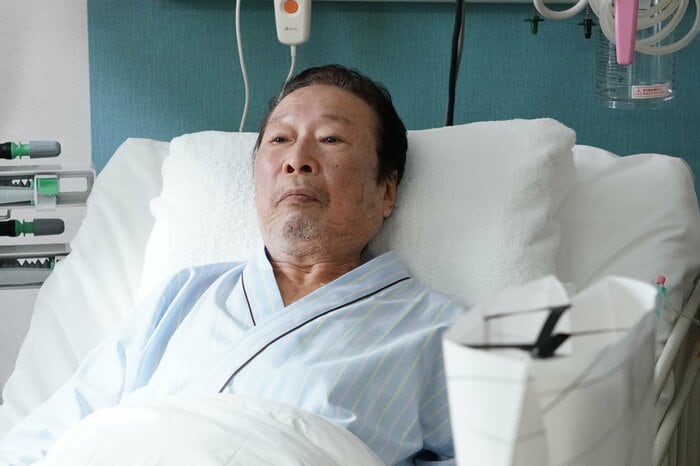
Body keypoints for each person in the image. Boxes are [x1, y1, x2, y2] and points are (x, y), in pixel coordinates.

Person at [0, 64, 464, 465]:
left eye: (330, 139)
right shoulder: (183, 295)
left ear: (386, 191)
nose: (296, 160)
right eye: (279, 139)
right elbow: (51, 430)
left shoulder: (438, 332)